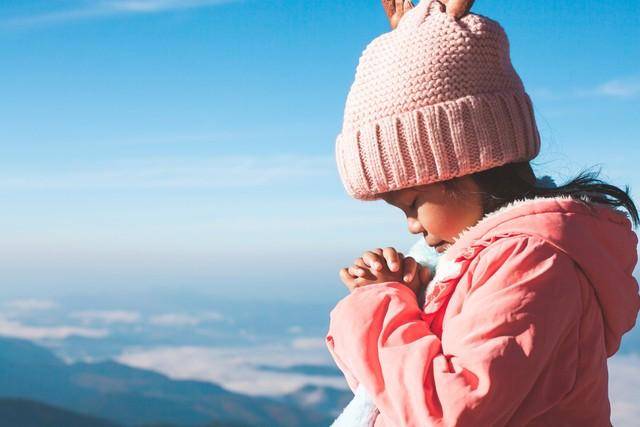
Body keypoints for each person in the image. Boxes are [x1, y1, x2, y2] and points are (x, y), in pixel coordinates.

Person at [325, 1, 640, 426]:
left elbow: (448, 412)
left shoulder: (534, 262)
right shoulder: (483, 261)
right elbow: (390, 395)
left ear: (465, 164)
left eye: (413, 204)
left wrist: (378, 307)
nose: (413, 227)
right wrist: (403, 300)